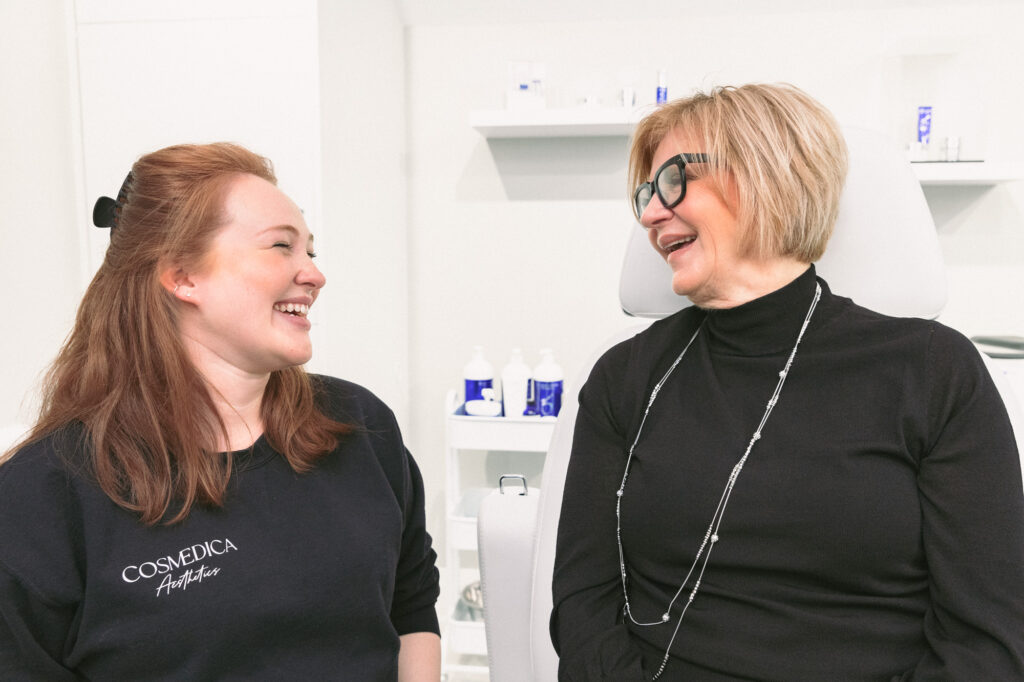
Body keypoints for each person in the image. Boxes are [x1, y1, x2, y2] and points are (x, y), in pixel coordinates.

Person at [551, 83, 1024, 680]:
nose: (649, 214)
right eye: (646, 194)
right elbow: (583, 605)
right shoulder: (625, 379)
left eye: (672, 181)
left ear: (767, 176)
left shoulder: (933, 372)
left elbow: (986, 641)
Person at [0, 143, 441, 680]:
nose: (313, 275)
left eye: (311, 252)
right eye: (281, 246)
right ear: (183, 275)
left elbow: (411, 606)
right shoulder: (45, 492)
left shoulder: (360, 426)